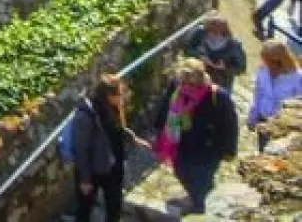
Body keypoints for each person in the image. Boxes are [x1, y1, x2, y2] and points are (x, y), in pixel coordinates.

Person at [152, 58, 239, 213]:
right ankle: (197, 196)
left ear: (201, 79)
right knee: (181, 171)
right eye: (182, 83)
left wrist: (230, 150)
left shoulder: (218, 96)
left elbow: (230, 124)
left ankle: (198, 208)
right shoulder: (176, 88)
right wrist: (159, 133)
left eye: (190, 84)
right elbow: (165, 109)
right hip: (181, 144)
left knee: (199, 179)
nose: (185, 87)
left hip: (207, 149)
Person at [73, 74, 148, 222]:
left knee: (114, 208)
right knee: (84, 210)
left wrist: (133, 138)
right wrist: (85, 179)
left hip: (113, 167)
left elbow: (118, 129)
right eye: (119, 93)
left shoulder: (113, 108)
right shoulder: (86, 116)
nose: (122, 96)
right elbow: (81, 149)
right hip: (93, 170)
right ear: (108, 95)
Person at [248, 40, 302, 150]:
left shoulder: (297, 78)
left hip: (282, 128)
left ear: (279, 60)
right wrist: (252, 117)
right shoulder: (263, 70)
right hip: (263, 120)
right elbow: (258, 93)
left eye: (267, 61)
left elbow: (298, 107)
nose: (265, 64)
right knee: (262, 150)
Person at [182, 16, 247, 89]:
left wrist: (224, 67)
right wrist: (200, 57)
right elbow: (187, 49)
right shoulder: (201, 33)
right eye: (208, 32)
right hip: (198, 79)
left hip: (221, 84)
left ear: (222, 32)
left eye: (213, 33)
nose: (210, 36)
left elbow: (241, 68)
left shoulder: (234, 46)